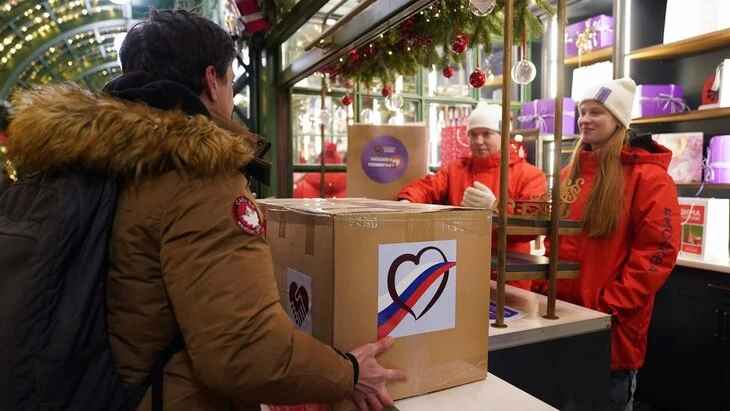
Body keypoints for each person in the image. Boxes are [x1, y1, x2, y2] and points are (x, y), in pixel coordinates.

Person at [5, 9, 404, 411]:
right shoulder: (197, 174)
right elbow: (245, 351)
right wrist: (350, 373)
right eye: (230, 82)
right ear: (212, 80)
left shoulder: (85, 158)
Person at [537, 78, 681, 411]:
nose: (585, 120)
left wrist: (609, 307)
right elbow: (555, 242)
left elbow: (657, 253)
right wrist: (545, 290)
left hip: (610, 334)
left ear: (618, 120)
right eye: (582, 112)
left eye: (596, 112)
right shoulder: (569, 175)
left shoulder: (649, 178)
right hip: (560, 326)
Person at [397, 104, 547, 290]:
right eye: (473, 134)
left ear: (502, 136)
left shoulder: (530, 175)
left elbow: (531, 228)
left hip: (508, 278)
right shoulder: (456, 170)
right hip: (462, 270)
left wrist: (496, 207)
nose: (478, 141)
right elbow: (427, 187)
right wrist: (406, 201)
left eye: (486, 134)